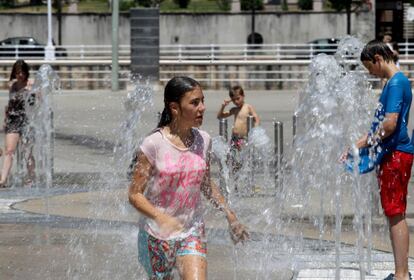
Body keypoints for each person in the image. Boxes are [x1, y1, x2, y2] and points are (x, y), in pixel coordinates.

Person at [128, 76, 249, 280]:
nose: (202, 107)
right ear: (175, 108)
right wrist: (161, 218)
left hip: (191, 231)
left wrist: (230, 215)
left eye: (202, 100)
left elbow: (205, 183)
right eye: (194, 103)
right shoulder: (153, 144)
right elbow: (135, 194)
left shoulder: (204, 140)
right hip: (156, 236)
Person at [355, 40, 413, 280]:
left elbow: (389, 124)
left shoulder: (397, 83)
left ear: (378, 58)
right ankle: (401, 272)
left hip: (396, 155)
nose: (371, 73)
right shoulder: (394, 82)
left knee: (395, 213)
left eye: (370, 67)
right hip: (393, 155)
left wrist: (364, 142)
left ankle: (401, 275)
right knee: (393, 212)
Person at [0, 59, 35, 188]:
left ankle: (31, 178)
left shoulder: (31, 84)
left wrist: (34, 92)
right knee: (9, 151)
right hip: (13, 120)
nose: (20, 75)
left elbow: (38, 103)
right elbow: (10, 105)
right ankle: (3, 180)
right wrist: (5, 119)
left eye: (22, 72)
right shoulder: (13, 86)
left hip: (27, 121)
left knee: (27, 152)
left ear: (26, 72)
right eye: (17, 72)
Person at [216, 85, 260, 159]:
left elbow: (256, 118)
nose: (236, 101)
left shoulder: (248, 107)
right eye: (233, 100)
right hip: (234, 138)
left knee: (244, 158)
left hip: (244, 138)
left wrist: (255, 132)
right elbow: (220, 116)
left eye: (238, 98)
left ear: (243, 96)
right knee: (233, 159)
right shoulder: (234, 109)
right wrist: (223, 106)